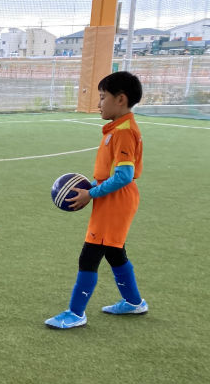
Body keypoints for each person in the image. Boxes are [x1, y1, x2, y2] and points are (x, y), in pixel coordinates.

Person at [44, 71, 147, 329]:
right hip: (114, 198)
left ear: (120, 99)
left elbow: (124, 176)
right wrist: (92, 185)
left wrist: (90, 193)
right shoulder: (118, 128)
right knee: (114, 252)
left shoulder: (123, 132)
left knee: (89, 256)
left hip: (116, 202)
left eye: (102, 97)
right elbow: (113, 174)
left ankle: (75, 313)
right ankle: (134, 302)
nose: (99, 103)